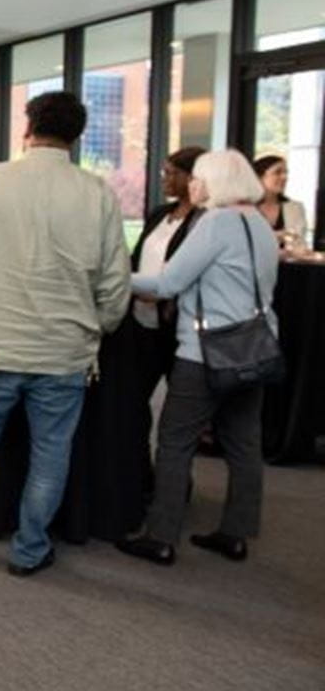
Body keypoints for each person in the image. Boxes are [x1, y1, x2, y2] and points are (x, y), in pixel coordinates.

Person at [0, 91, 130, 575]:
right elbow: (115, 282)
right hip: (65, 349)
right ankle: (30, 547)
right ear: (77, 135)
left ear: (28, 127)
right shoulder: (98, 193)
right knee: (50, 453)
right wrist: (98, 328)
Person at [117, 150, 280, 566]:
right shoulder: (260, 223)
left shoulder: (216, 222)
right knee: (244, 444)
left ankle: (161, 536)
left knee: (175, 442)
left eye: (199, 179)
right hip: (254, 347)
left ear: (215, 183)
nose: (193, 185)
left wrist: (112, 277)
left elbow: (169, 282)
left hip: (204, 352)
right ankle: (236, 533)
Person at [126, 146, 206, 504]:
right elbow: (138, 257)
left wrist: (162, 292)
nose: (164, 179)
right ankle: (139, 475)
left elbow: (195, 273)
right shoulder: (160, 213)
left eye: (171, 172)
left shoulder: (206, 221)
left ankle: (174, 487)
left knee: (178, 417)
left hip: (179, 327)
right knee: (133, 402)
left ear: (193, 177)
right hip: (141, 321)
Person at [252, 155, 309, 243]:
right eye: (277, 172)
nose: (284, 177)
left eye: (286, 173)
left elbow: (298, 242)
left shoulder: (295, 208)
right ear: (259, 177)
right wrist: (279, 236)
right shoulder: (246, 208)